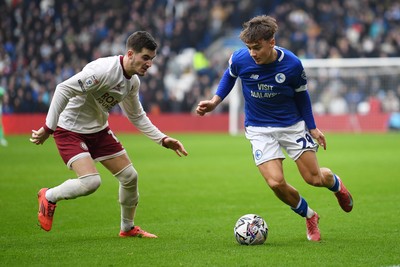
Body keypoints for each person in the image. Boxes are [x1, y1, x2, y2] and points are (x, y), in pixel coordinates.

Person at [196, 15, 353, 242]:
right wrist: (214, 101)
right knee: (276, 183)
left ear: (271, 41)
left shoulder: (292, 64)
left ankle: (337, 185)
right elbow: (229, 77)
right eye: (249, 48)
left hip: (292, 126)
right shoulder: (240, 59)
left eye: (257, 47)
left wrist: (313, 128)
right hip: (259, 129)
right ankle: (310, 216)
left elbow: (302, 97)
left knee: (314, 179)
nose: (253, 53)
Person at [30, 31, 188, 238]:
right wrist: (48, 128)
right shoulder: (102, 71)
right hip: (70, 130)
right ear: (130, 54)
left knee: (130, 177)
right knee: (91, 182)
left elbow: (136, 116)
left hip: (99, 130)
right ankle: (49, 196)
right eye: (146, 58)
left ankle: (127, 228)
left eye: (152, 59)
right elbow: (62, 89)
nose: (150, 64)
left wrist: (163, 139)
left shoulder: (132, 82)